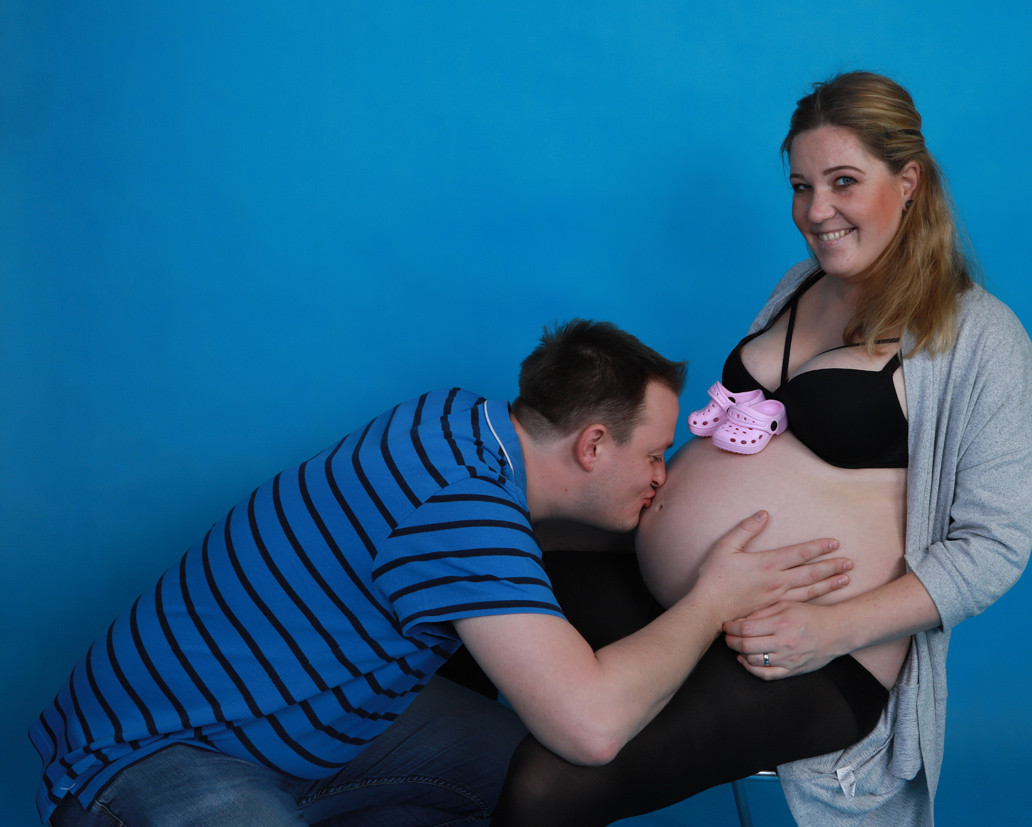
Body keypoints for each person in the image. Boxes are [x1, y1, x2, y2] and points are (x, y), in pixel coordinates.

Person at [492, 72, 1032, 826]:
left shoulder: (980, 338)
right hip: (690, 601)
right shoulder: (800, 285)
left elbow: (993, 548)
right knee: (474, 574)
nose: (816, 211)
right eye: (801, 186)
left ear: (908, 182)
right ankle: (418, 786)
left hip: (805, 654)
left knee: (546, 784)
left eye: (843, 182)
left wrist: (830, 629)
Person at [29, 319, 854, 827]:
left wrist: (679, 536)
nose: (662, 476)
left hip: (309, 730)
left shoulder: (455, 423)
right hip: (161, 747)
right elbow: (591, 724)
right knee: (576, 750)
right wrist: (714, 596)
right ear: (593, 444)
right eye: (654, 454)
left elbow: (528, 539)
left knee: (538, 786)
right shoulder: (462, 510)